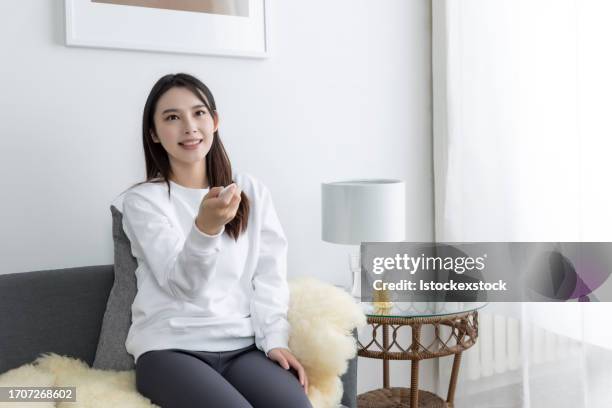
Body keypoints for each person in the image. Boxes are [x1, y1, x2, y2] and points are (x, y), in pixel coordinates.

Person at [118, 73, 311, 408]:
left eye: (199, 113)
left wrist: (274, 339)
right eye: (172, 118)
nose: (189, 127)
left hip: (242, 347)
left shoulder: (249, 189)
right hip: (170, 349)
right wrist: (205, 230)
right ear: (154, 133)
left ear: (215, 121)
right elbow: (183, 286)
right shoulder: (143, 202)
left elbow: (268, 276)